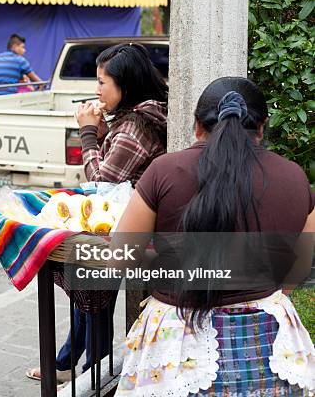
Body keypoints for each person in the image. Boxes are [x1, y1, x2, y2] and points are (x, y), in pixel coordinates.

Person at [114, 77, 314, 395]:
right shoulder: (293, 177)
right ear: (261, 127)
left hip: (176, 346)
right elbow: (298, 270)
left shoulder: (163, 172)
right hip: (268, 343)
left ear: (197, 126)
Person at [27, 43, 168, 382]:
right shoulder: (138, 116)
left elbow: (102, 181)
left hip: (131, 229)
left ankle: (95, 374)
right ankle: (69, 363)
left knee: (91, 290)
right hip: (126, 220)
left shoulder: (136, 126)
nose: (97, 90)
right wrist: (103, 131)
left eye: (103, 82)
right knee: (87, 291)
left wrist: (89, 132)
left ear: (125, 85)